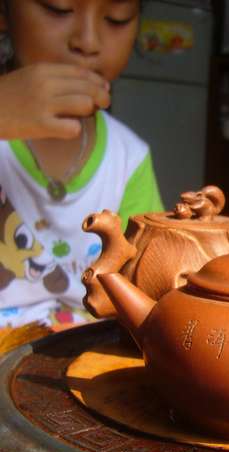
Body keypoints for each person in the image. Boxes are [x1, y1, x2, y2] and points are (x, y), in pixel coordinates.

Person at [0, 0, 164, 327]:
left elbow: (147, 283)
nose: (88, 42)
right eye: (58, 8)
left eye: (116, 19)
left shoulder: (129, 159)